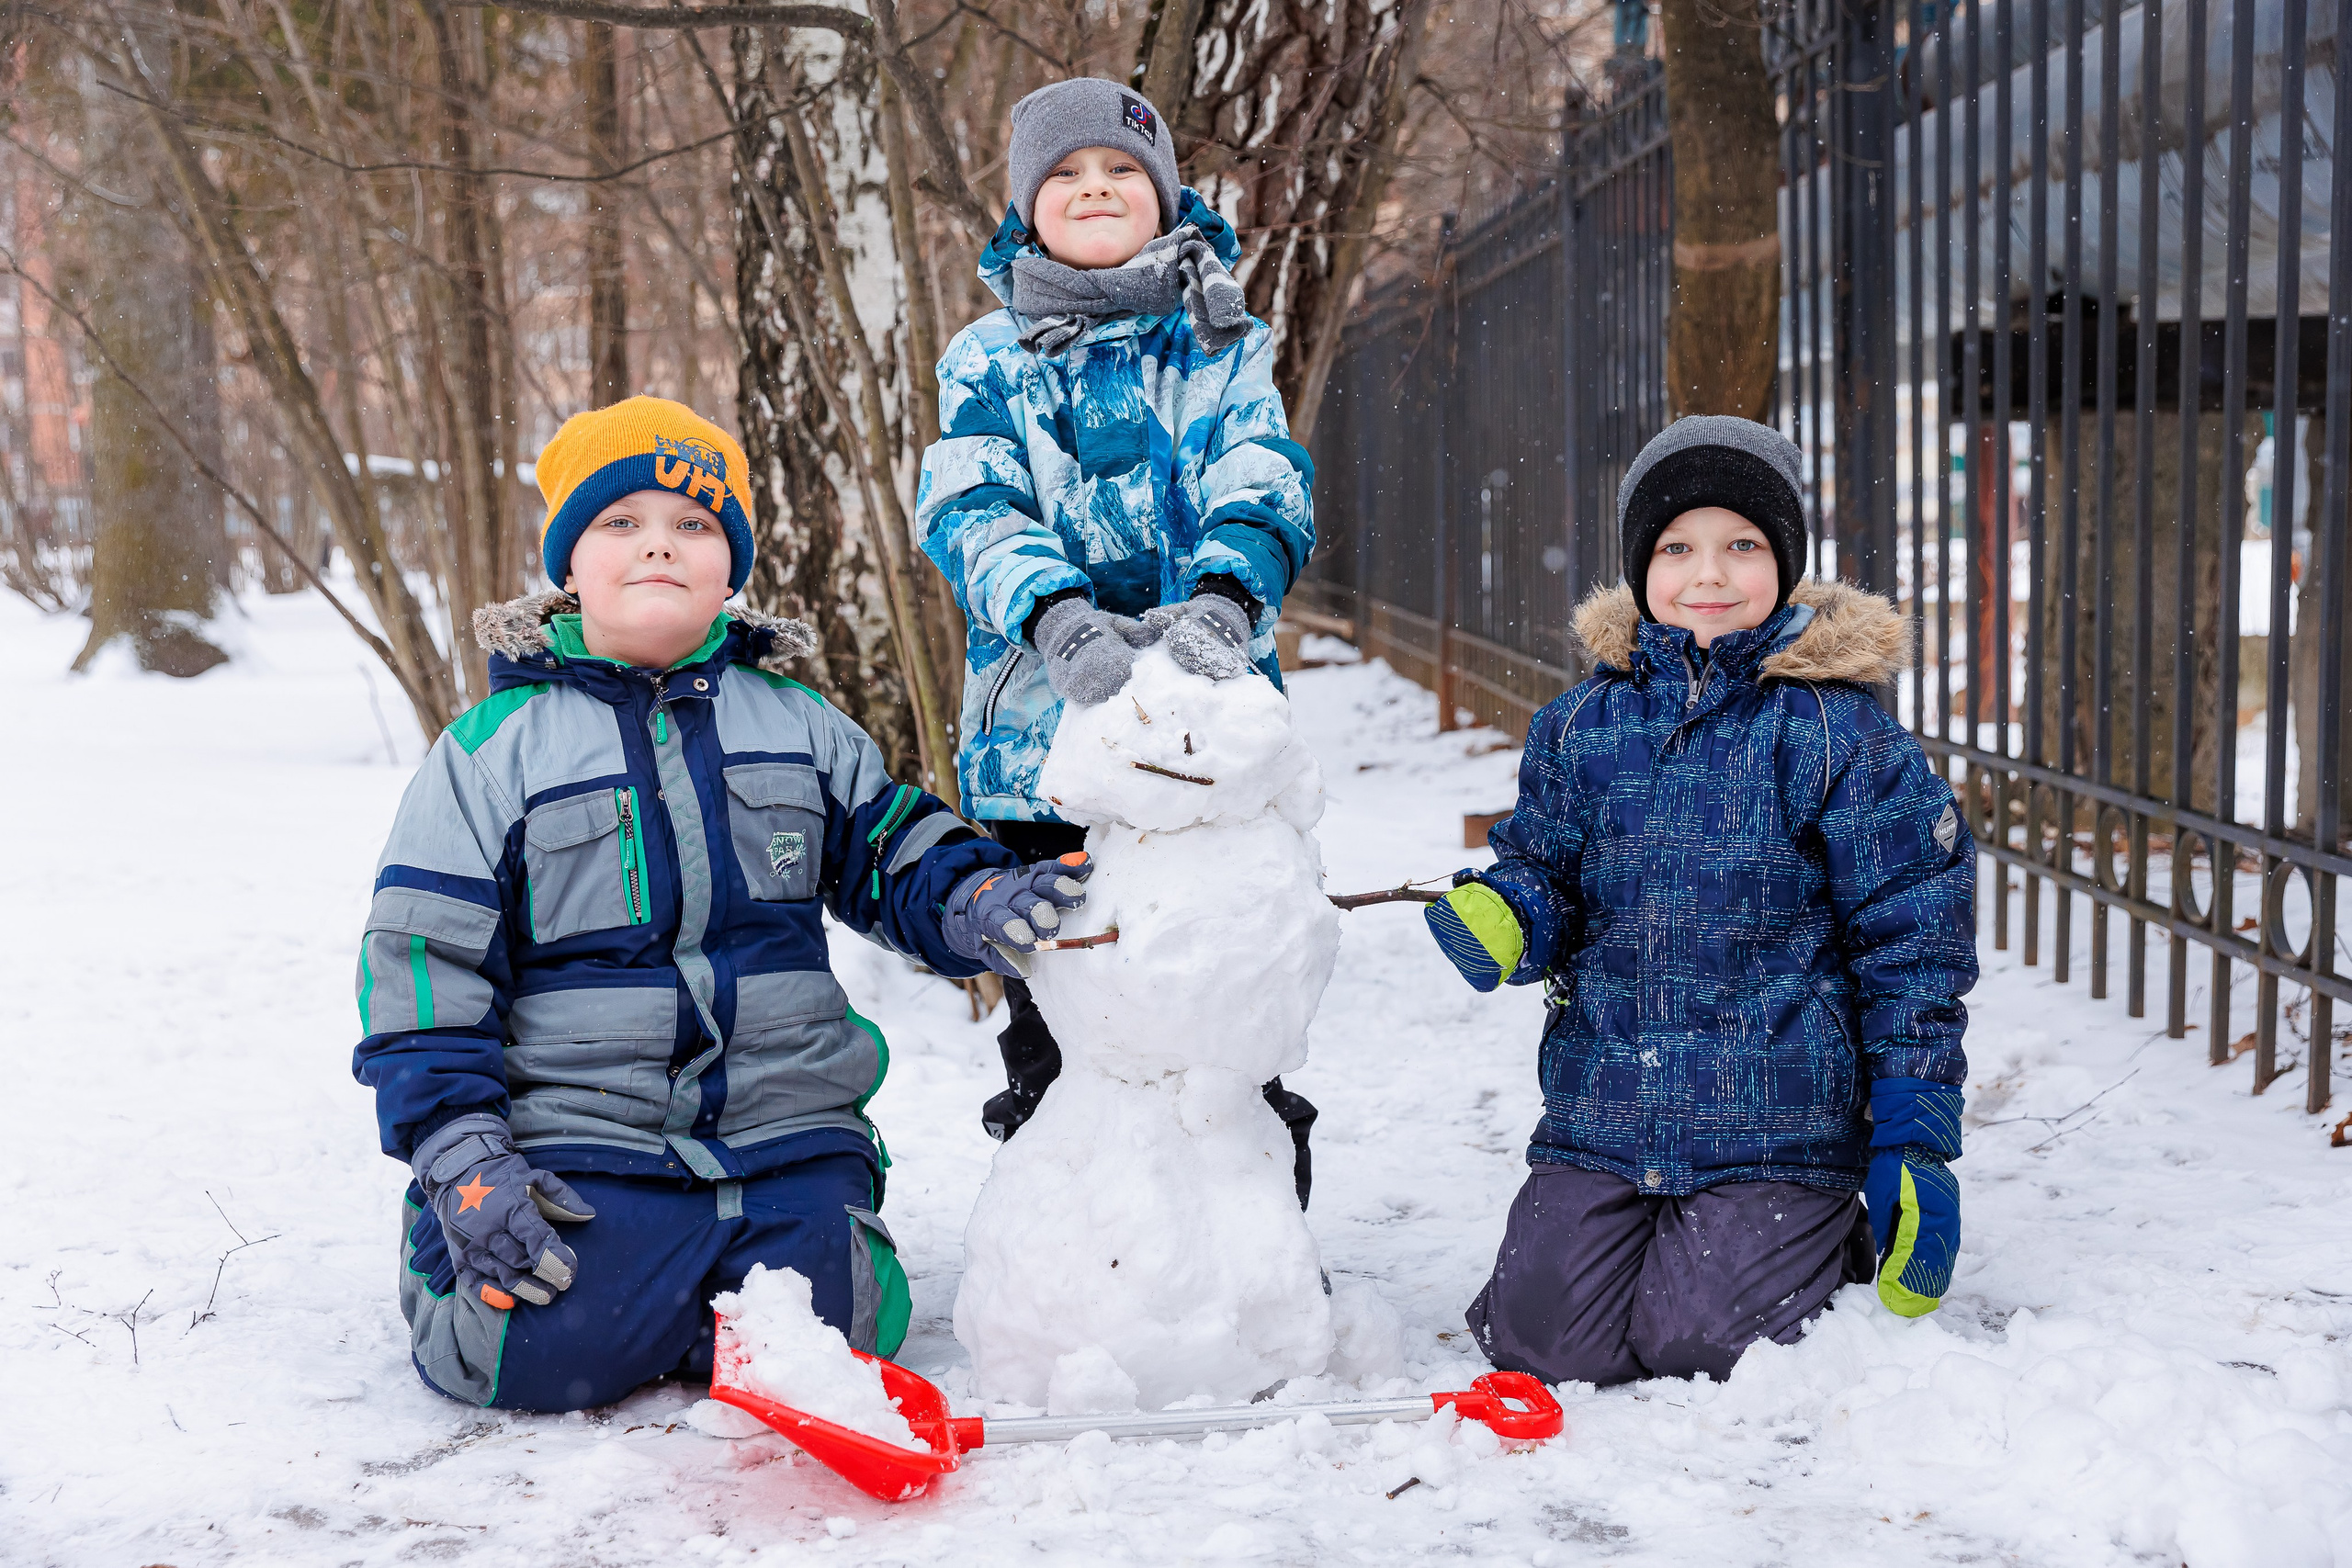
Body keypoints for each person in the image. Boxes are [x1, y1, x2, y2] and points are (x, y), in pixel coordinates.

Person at [354, 396, 1091, 1412]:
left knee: (849, 1328)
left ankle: (719, 1275)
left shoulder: (799, 725)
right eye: (621, 524)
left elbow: (889, 850)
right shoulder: (493, 751)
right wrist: (459, 1149)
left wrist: (972, 892)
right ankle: (462, 1243)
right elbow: (423, 966)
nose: (659, 546)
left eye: (692, 526)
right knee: (537, 1349)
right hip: (583, 1135)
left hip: (782, 1128)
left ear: (731, 571)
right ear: (568, 565)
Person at [1423, 415, 1977, 1386]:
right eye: (1676, 548)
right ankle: (1658, 1243)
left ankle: (1822, 1239)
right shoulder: (1579, 727)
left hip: (1775, 1118)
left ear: (1786, 564)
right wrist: (1512, 912)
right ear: (1640, 568)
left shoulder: (1836, 734)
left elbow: (1911, 944)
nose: (1707, 574)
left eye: (1741, 546)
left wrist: (1912, 1138)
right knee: (1540, 1340)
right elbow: (1546, 869)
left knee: (1703, 1341)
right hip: (1609, 1105)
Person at [915, 78, 1319, 1201]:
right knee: (1069, 1004)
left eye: (1121, 172)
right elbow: (969, 502)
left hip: (1205, 735)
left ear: (1164, 196)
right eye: (1065, 175)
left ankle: (1252, 1235)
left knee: (1219, 993)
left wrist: (1227, 598)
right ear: (1026, 207)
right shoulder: (988, 357)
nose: (1095, 188)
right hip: (1042, 749)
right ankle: (1069, 1236)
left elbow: (1261, 471)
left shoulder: (1220, 340)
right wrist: (1052, 613)